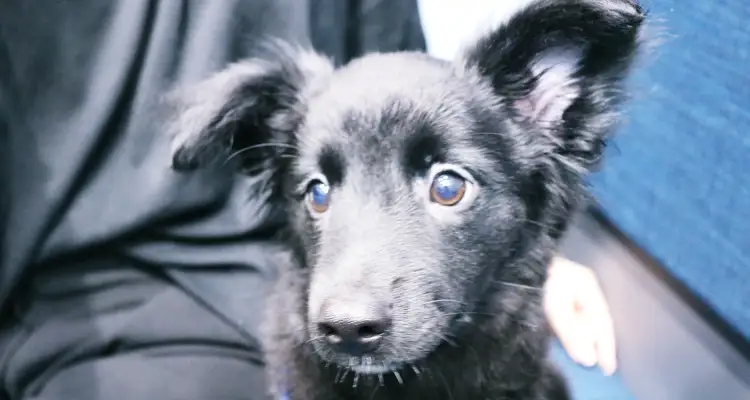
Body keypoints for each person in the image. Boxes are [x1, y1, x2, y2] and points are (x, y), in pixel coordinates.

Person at [0, 1, 615, 399]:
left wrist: (531, 260)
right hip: (93, 292)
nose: (349, 308)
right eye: (319, 190)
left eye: (447, 185)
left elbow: (401, 91)